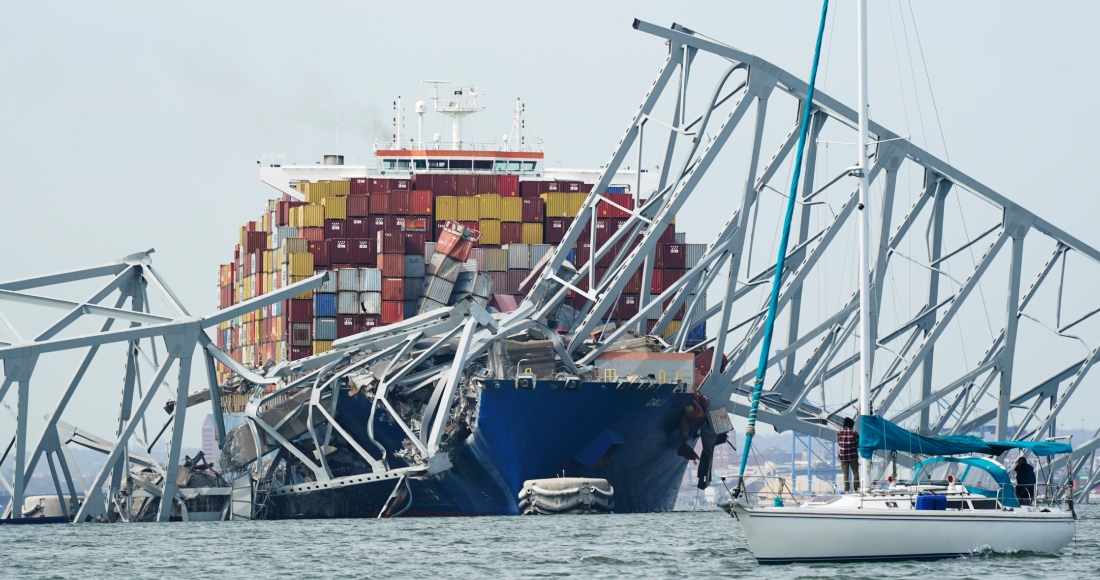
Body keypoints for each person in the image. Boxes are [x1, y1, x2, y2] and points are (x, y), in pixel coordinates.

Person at [836, 417, 859, 492]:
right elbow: (857, 444)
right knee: (855, 472)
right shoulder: (854, 433)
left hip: (843, 456)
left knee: (845, 474)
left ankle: (846, 490)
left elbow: (839, 443)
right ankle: (856, 489)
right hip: (853, 455)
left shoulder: (839, 432)